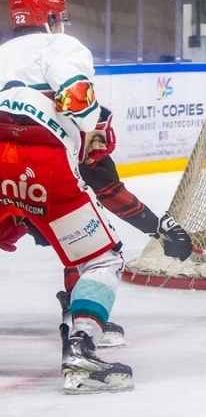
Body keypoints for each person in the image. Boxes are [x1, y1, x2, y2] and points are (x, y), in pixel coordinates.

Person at [0, 0, 191, 394]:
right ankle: (81, 342)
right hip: (40, 162)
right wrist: (87, 126)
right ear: (50, 17)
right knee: (99, 259)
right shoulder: (60, 48)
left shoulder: (2, 55)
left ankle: (75, 307)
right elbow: (77, 98)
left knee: (53, 233)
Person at [24, 105, 193, 349]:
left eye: (103, 138)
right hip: (28, 188)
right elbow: (114, 197)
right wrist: (160, 230)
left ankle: (77, 306)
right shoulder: (61, 148)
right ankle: (80, 317)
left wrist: (159, 229)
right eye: (96, 138)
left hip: (18, 192)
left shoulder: (56, 136)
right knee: (92, 249)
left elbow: (111, 193)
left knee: (79, 238)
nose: (100, 147)